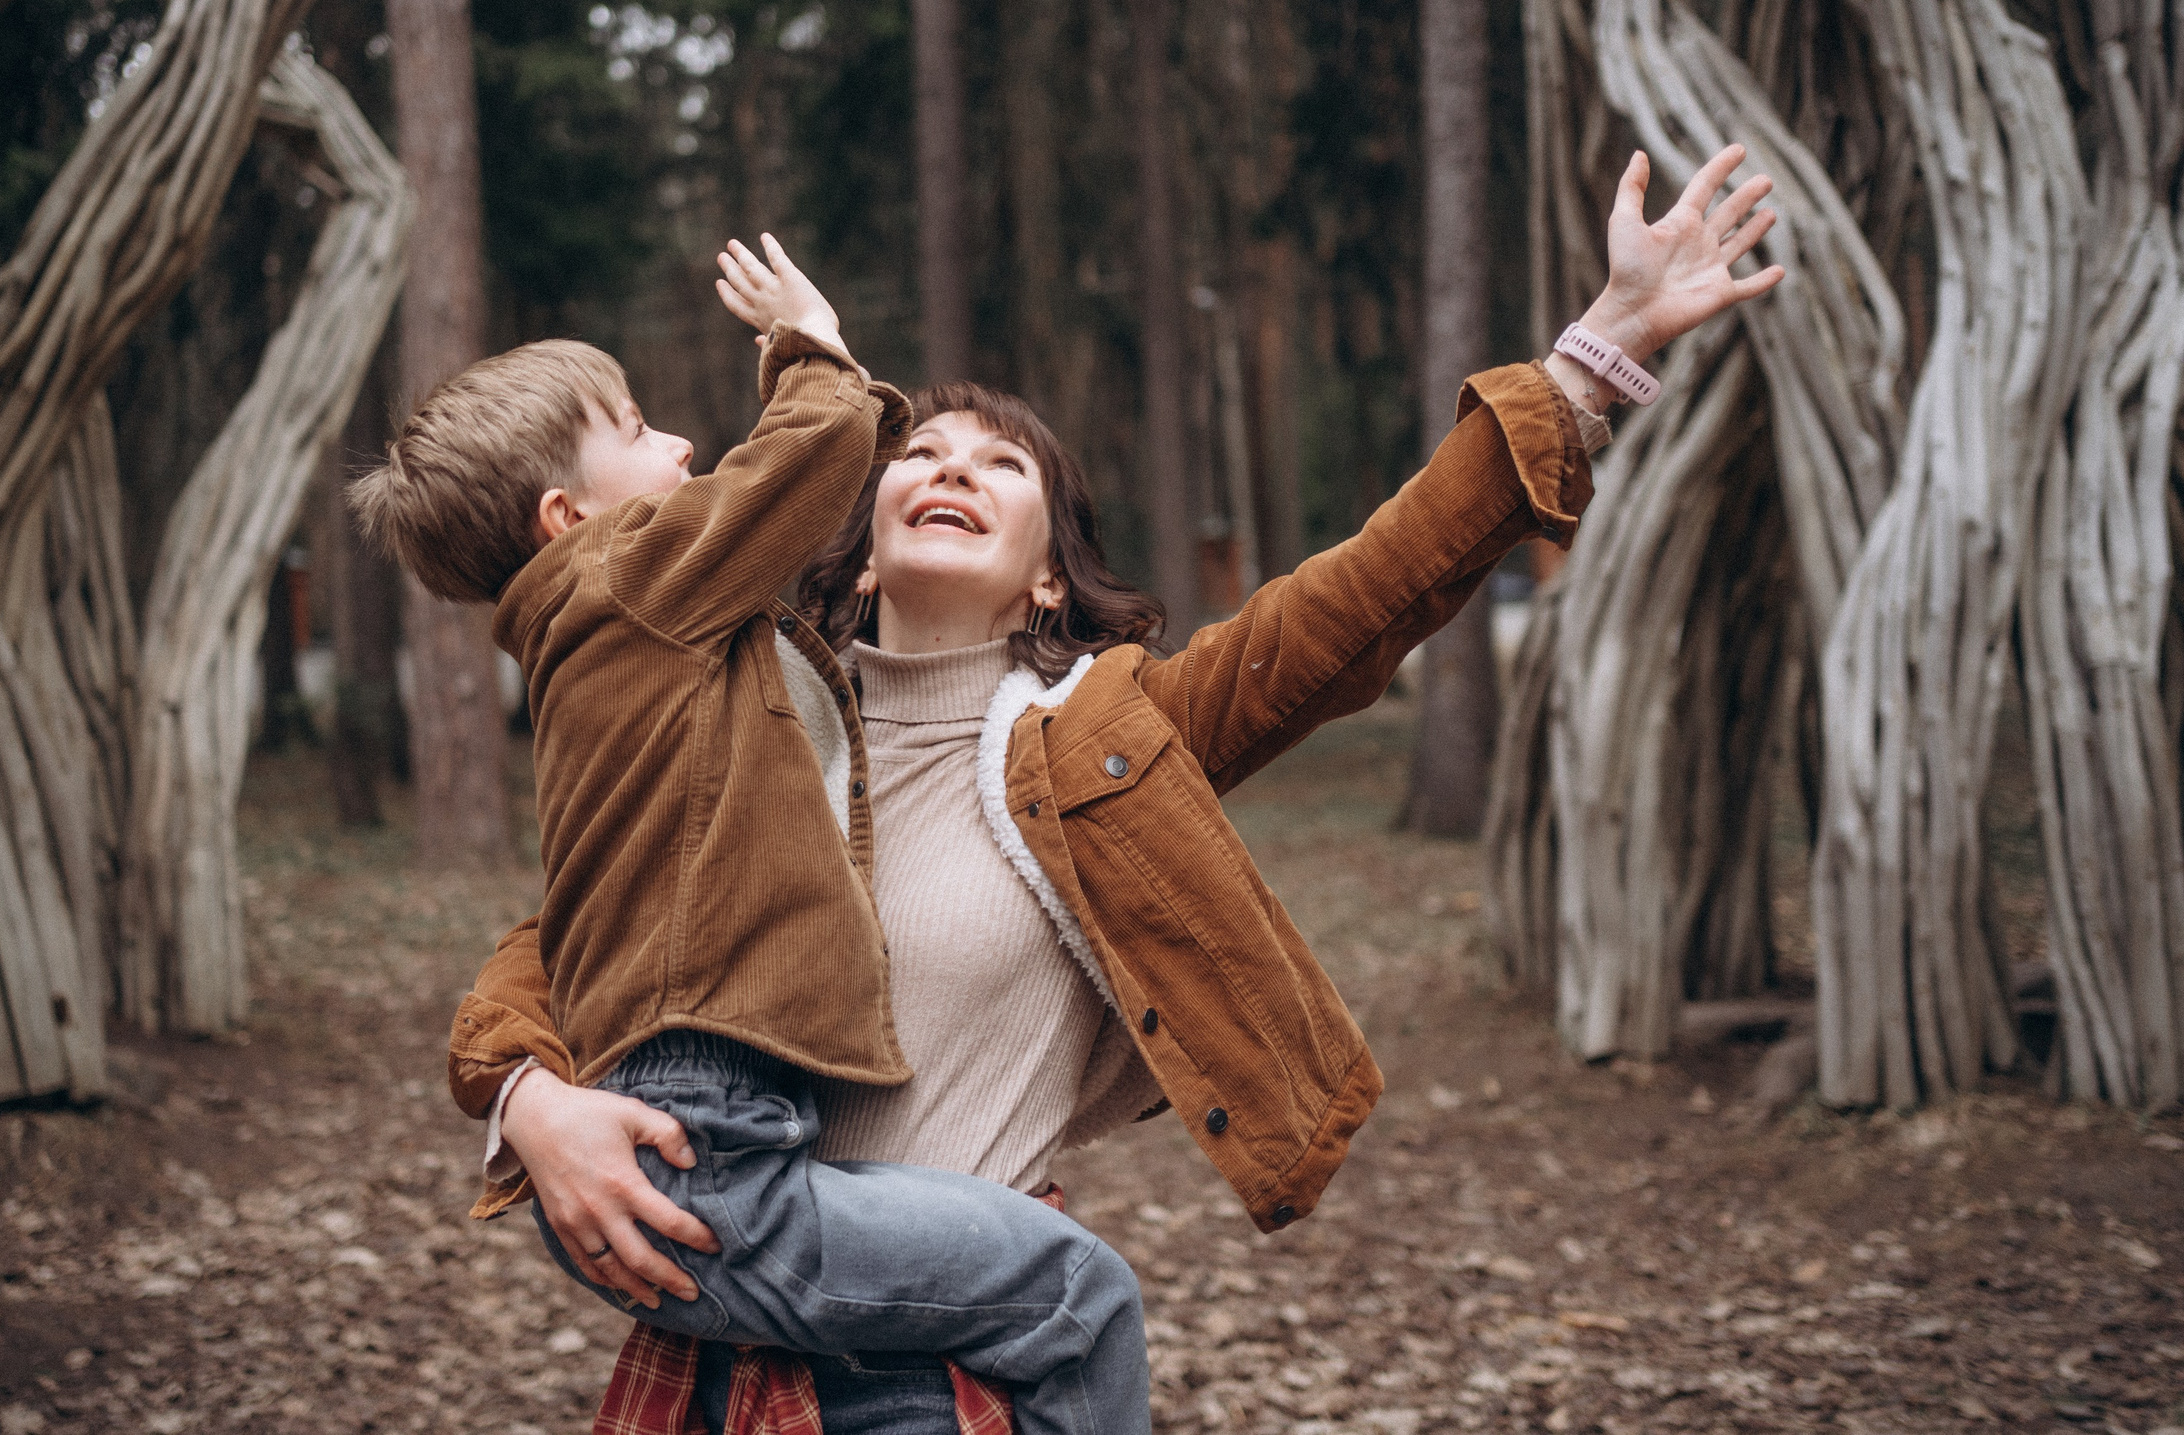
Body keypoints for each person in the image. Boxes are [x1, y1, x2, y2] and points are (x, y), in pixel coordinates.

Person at [453, 146, 1784, 1435]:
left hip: (949, 1364)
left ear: (1046, 574)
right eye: (918, 454)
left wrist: (1597, 351)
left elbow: (1365, 591)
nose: (954, 466)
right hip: (717, 1355)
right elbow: (558, 945)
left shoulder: (1108, 741)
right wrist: (531, 1101)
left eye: (1003, 462)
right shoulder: (750, 735)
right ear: (852, 550)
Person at [352, 236, 1158, 1435]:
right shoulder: (626, 580)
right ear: (569, 518)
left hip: (694, 1147)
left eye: (999, 463)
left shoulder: (644, 674)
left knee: (1072, 1289)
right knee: (1081, 1291)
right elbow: (822, 444)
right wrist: (806, 343)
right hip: (713, 1152)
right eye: (636, 429)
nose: (679, 447)